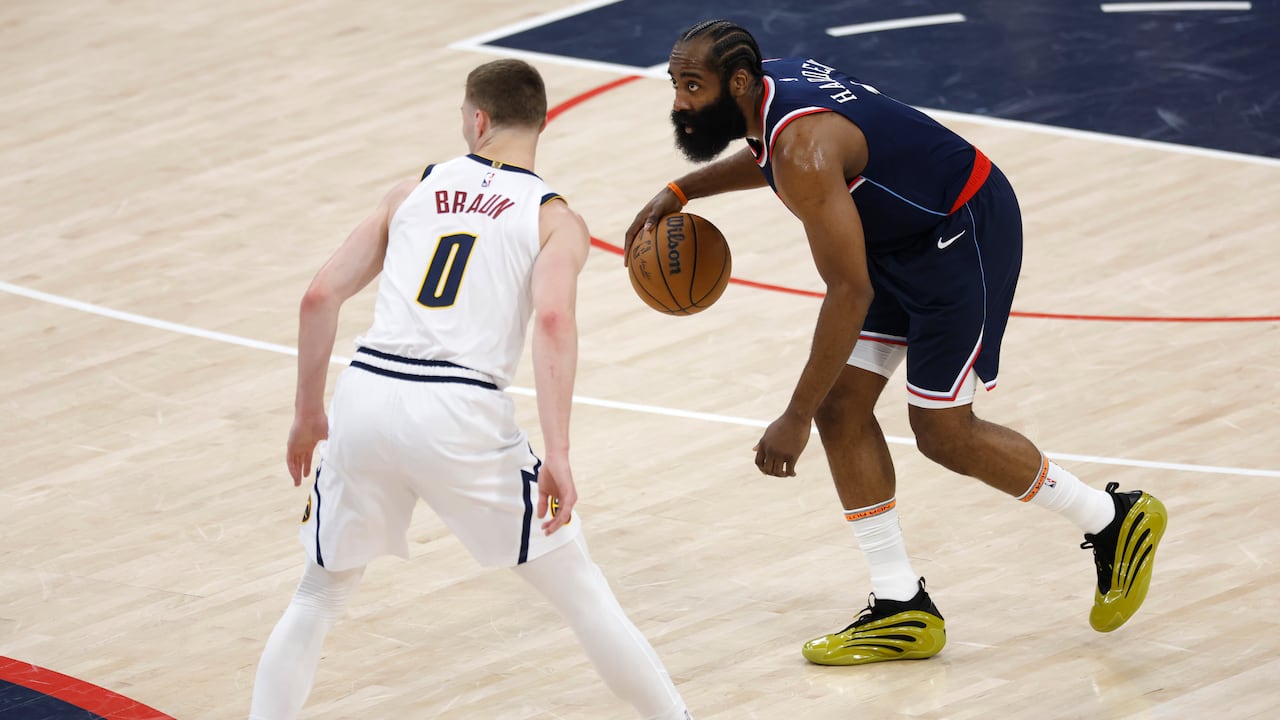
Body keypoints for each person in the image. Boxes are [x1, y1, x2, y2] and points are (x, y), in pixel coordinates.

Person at [625, 20, 1168, 666]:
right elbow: (771, 154)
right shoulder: (778, 92)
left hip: (961, 234)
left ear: (738, 82)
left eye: (692, 86)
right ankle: (900, 605)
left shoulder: (803, 145)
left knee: (942, 431)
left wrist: (792, 419)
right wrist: (684, 188)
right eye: (676, 84)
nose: (680, 102)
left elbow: (848, 290)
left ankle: (1112, 519)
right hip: (898, 235)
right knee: (841, 408)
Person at [250, 59, 692, 719]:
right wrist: (560, 455)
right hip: (458, 410)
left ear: (477, 120)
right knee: (583, 593)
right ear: (539, 124)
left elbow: (319, 296)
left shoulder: (410, 191)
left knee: (317, 596)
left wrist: (307, 413)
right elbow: (550, 321)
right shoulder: (555, 220)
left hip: (367, 394)